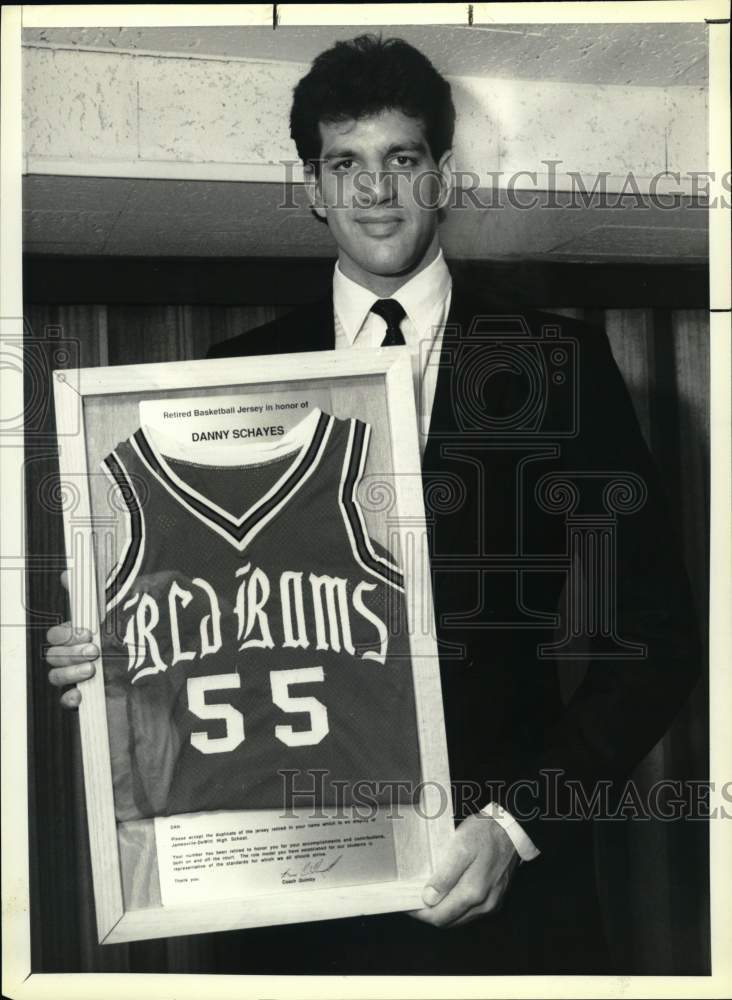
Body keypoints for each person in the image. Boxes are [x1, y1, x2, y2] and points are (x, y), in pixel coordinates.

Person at [45, 34, 700, 974]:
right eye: (344, 163)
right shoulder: (225, 379)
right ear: (311, 186)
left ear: (441, 176)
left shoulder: (561, 367)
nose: (374, 190)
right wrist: (106, 654)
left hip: (500, 892)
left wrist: (518, 824)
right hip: (285, 902)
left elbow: (657, 639)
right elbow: (187, 629)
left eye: (402, 159)